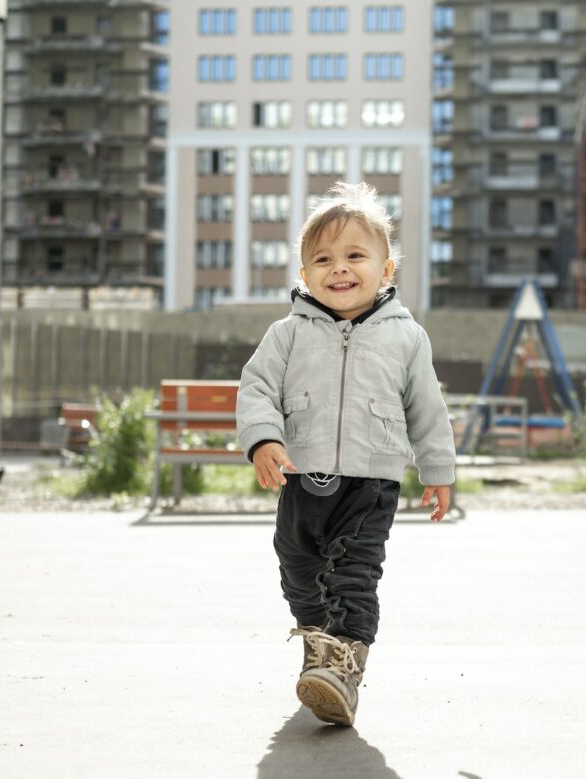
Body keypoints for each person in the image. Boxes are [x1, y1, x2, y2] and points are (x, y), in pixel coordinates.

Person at [237, 181, 456, 727]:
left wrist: (438, 470)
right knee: (299, 569)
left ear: (387, 270)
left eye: (356, 255)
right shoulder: (286, 334)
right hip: (301, 478)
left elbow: (426, 407)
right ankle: (319, 644)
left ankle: (345, 668)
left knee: (353, 575)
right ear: (304, 275)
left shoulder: (407, 338)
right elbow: (256, 388)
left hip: (371, 482)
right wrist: (265, 438)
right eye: (323, 259)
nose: (340, 268)